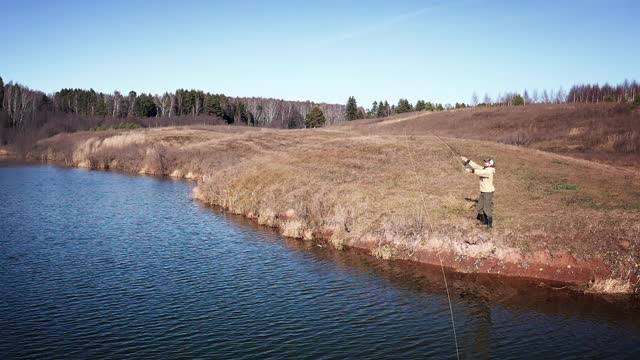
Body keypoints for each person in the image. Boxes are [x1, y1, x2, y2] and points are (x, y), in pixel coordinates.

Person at [460, 156, 495, 228]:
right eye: (485, 161)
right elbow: (477, 166)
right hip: (483, 192)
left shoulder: (489, 171)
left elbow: (480, 172)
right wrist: (467, 160)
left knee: (486, 209)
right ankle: (484, 221)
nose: (485, 163)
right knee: (479, 207)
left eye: (487, 162)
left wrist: (471, 171)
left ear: (490, 163)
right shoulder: (485, 169)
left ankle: (490, 225)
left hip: (488, 192)